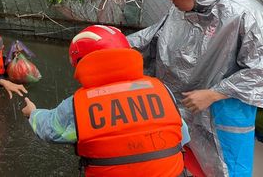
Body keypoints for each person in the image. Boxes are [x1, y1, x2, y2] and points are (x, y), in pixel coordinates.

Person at [127, 0, 263, 176]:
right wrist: (111, 45)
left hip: (228, 108)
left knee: (229, 168)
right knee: (192, 161)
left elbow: (259, 70)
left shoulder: (243, 13)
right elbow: (151, 39)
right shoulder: (181, 11)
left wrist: (214, 94)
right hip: (188, 104)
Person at [22, 25, 190, 177]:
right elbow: (182, 135)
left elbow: (50, 131)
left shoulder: (78, 105)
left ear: (82, 63)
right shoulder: (161, 89)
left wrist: (33, 113)